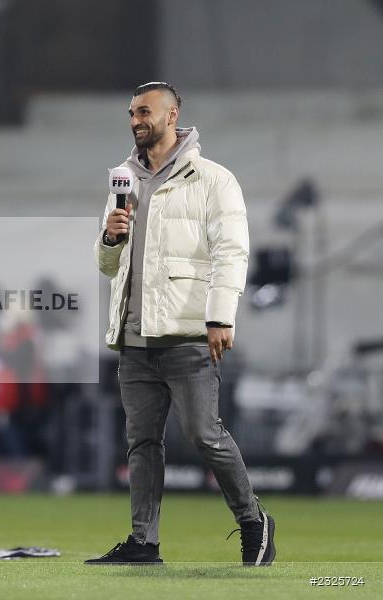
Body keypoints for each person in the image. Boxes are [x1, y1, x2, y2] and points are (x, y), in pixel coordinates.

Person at [86, 83, 275, 566]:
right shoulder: (122, 179)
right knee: (141, 443)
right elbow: (108, 266)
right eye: (131, 112)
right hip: (134, 336)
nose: (135, 120)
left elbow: (231, 251)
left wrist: (220, 317)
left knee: (203, 434)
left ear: (173, 115)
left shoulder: (213, 179)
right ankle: (143, 542)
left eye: (144, 111)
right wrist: (110, 237)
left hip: (188, 333)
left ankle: (254, 520)